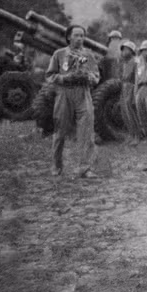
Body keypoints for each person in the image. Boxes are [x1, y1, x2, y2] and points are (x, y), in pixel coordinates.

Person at [46, 24, 100, 178]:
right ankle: (56, 165)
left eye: (82, 36)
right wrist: (64, 77)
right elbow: (50, 75)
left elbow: (96, 76)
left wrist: (89, 77)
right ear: (69, 37)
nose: (79, 38)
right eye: (76, 35)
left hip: (83, 93)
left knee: (86, 131)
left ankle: (85, 167)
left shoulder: (88, 55)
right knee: (60, 130)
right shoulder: (59, 54)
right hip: (64, 93)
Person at [118, 40, 139, 143]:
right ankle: (131, 134)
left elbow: (137, 79)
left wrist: (135, 94)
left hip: (131, 87)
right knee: (125, 113)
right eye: (123, 50)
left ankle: (137, 135)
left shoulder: (135, 62)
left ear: (132, 51)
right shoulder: (124, 63)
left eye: (127, 50)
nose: (124, 52)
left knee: (132, 113)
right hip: (124, 87)